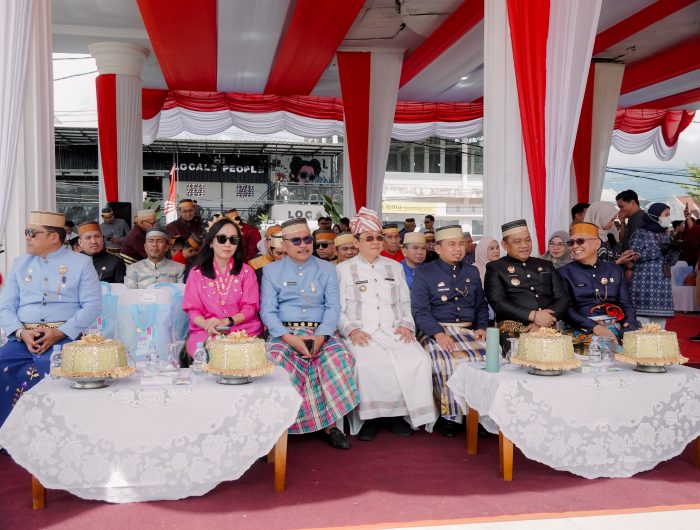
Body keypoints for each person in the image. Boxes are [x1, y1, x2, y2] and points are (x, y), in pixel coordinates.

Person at [337, 208, 436, 440]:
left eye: (378, 237)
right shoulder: (342, 270)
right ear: (356, 242)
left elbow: (405, 302)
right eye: (369, 238)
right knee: (367, 364)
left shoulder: (395, 266)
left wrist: (406, 325)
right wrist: (351, 330)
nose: (375, 242)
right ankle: (371, 418)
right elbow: (337, 309)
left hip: (394, 330)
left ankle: (397, 416)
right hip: (362, 331)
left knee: (418, 360)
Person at [260, 218, 359, 449]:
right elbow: (267, 310)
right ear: (284, 244)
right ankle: (277, 427)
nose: (303, 245)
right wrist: (289, 338)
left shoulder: (327, 268)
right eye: (296, 241)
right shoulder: (271, 271)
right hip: (286, 333)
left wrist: (321, 337)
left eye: (307, 239)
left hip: (320, 331)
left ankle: (330, 426)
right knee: (275, 361)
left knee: (339, 358)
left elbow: (333, 307)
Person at [0, 211, 101, 427]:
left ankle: (56, 433)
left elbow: (92, 306)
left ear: (53, 237)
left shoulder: (81, 263)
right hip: (22, 338)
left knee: (58, 374)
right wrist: (21, 333)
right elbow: (6, 306)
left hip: (65, 338)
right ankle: (8, 433)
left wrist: (60, 332)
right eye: (26, 232)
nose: (27, 237)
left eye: (32, 233)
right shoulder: (19, 263)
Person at [411, 225, 489, 437]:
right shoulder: (424, 272)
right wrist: (438, 333)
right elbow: (420, 310)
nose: (458, 249)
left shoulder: (471, 271)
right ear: (437, 248)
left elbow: (481, 305)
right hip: (438, 330)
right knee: (445, 359)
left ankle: (481, 415)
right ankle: (451, 417)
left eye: (461, 244)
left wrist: (482, 327)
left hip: (469, 330)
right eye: (451, 244)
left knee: (490, 358)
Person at [182, 218, 263, 356]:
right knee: (207, 351)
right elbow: (193, 310)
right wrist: (207, 325)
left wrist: (225, 322)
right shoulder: (196, 273)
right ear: (211, 242)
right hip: (206, 330)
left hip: (242, 330)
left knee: (238, 354)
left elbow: (250, 308)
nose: (227, 244)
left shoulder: (247, 271)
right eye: (222, 239)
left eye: (233, 240)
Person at [484, 219, 569, 350]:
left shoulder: (546, 265)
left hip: (549, 328)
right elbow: (498, 302)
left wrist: (544, 321)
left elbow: (562, 298)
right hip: (513, 331)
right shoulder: (495, 268)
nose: (524, 245)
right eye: (517, 241)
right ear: (505, 245)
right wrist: (533, 315)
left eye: (528, 240)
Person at [558, 223, 638, 351]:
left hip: (617, 328)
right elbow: (566, 310)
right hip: (583, 330)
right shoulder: (564, 273)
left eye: (580, 241)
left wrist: (629, 325)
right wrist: (595, 327)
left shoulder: (614, 270)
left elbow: (627, 305)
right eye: (571, 243)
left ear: (597, 243)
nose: (575, 246)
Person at [628, 203, 680, 329]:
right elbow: (633, 257)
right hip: (644, 285)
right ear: (654, 215)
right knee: (642, 326)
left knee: (660, 328)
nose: (668, 218)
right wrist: (658, 250)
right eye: (666, 215)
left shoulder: (666, 236)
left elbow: (670, 262)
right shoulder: (640, 233)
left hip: (662, 286)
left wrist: (675, 250)